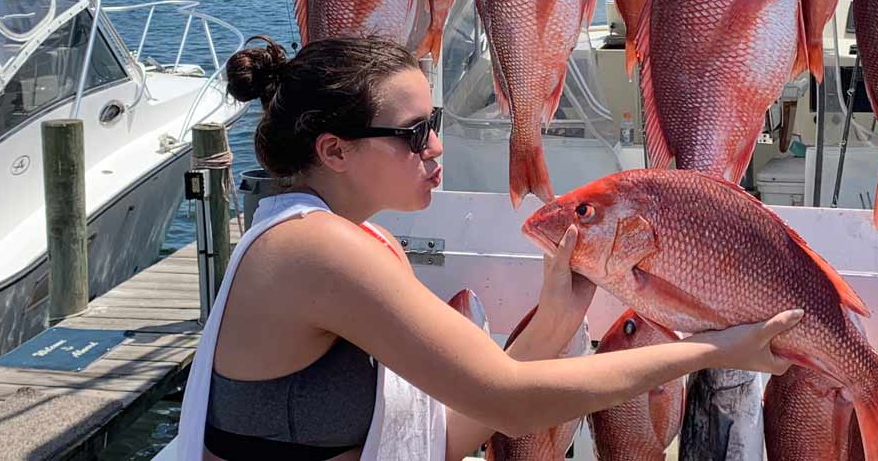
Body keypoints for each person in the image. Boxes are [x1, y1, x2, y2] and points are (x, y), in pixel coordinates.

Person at [181, 35, 803, 461]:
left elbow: (449, 430)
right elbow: (512, 403)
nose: (436, 147)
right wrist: (714, 349)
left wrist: (557, 318)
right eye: (414, 133)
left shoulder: (358, 239)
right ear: (334, 151)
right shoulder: (313, 253)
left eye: (437, 123)